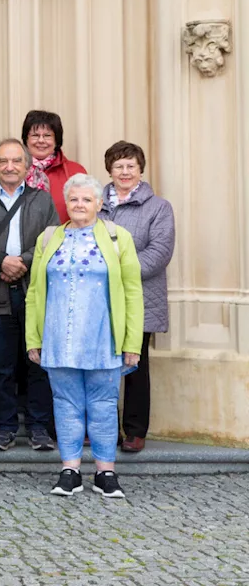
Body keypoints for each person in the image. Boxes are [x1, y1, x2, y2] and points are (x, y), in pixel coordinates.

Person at [26, 173, 143, 498]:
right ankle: (70, 470)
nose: (79, 205)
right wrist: (33, 338)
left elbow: (133, 292)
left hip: (103, 338)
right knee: (65, 404)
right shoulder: (49, 238)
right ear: (66, 202)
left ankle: (106, 473)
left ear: (99, 204)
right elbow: (35, 291)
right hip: (58, 338)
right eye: (74, 199)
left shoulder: (119, 238)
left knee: (104, 405)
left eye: (86, 199)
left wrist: (132, 343)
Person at [0, 139, 60, 452]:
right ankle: (4, 429)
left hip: (35, 294)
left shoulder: (42, 202)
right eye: (3, 161)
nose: (10, 166)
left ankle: (38, 428)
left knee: (38, 364)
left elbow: (51, 237)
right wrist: (0, 260)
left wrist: (23, 262)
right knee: (2, 366)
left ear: (27, 166)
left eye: (16, 160)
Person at [98, 141, 175, 452]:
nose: (125, 171)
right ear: (110, 171)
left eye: (130, 165)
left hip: (140, 299)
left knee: (134, 365)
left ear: (140, 169)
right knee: (101, 365)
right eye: (118, 166)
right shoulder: (95, 204)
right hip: (101, 298)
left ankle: (134, 430)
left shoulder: (159, 208)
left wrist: (116, 270)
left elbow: (158, 253)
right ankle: (104, 427)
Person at [20, 109, 87, 222]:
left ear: (57, 140)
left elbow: (87, 211)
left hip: (64, 237)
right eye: (35, 135)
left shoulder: (75, 171)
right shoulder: (10, 169)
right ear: (26, 139)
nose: (41, 141)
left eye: (47, 135)